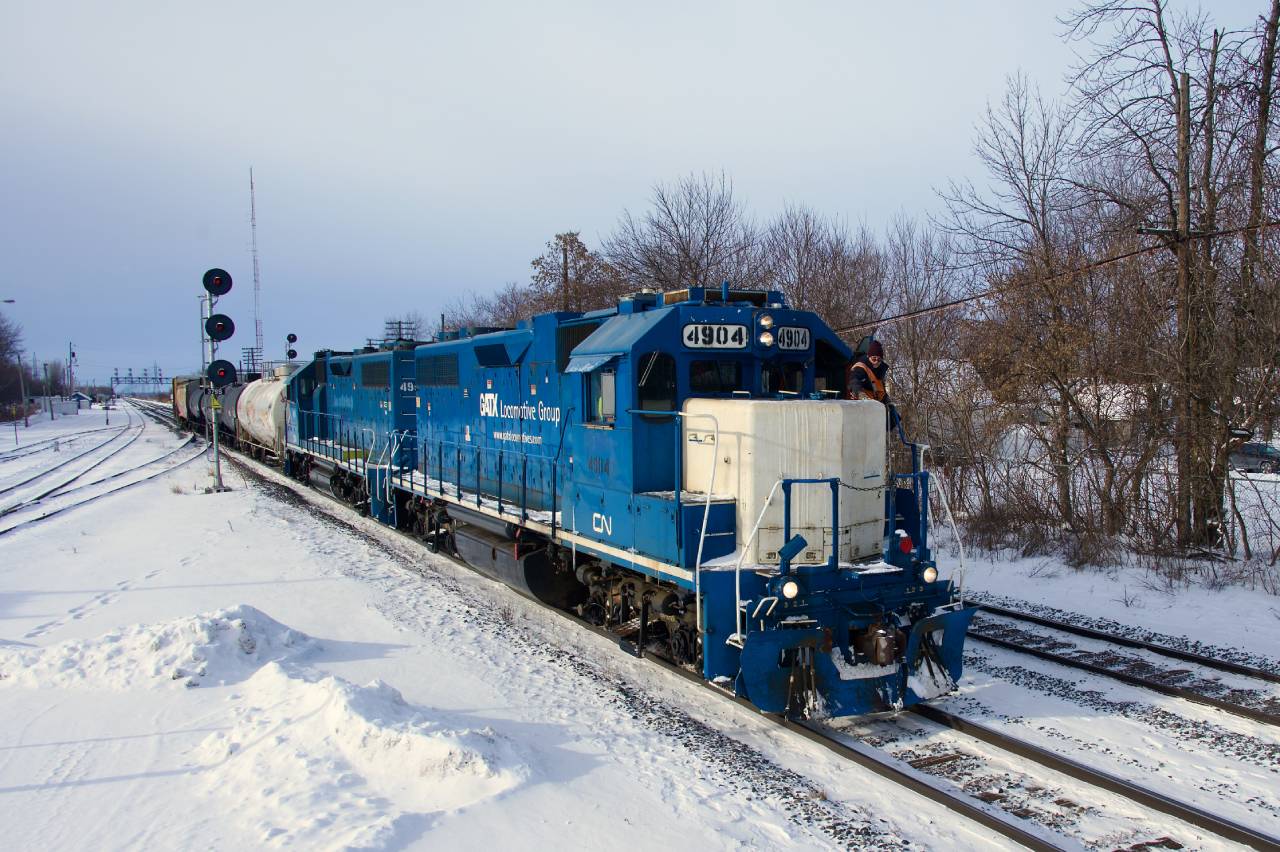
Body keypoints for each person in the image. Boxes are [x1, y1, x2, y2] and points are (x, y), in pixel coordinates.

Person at [846, 340, 900, 430]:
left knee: (893, 419)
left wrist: (887, 400)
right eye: (874, 359)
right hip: (862, 407)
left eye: (879, 359)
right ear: (868, 356)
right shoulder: (861, 367)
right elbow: (854, 382)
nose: (876, 362)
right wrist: (862, 396)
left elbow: (879, 388)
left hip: (876, 406)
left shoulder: (880, 370)